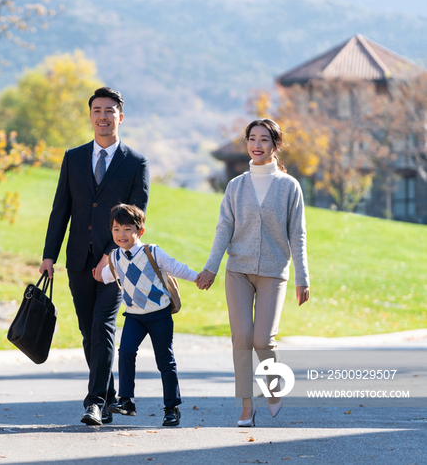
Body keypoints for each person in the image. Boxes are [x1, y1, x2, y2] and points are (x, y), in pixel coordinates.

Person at [39, 87, 149, 426]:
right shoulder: (73, 158)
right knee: (89, 333)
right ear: (90, 116)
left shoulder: (135, 163)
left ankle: (95, 403)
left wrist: (111, 253)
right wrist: (48, 255)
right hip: (77, 260)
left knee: (103, 328)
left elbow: (136, 215)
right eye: (97, 110)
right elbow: (61, 209)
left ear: (120, 116)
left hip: (117, 264)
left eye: (110, 111)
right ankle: (110, 394)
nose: (103, 116)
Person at [195, 118, 310, 427]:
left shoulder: (289, 187)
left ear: (275, 146)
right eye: (252, 139)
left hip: (274, 271)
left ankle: (273, 387)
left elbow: (297, 234)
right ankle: (246, 407)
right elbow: (224, 229)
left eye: (264, 139)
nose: (256, 145)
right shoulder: (236, 186)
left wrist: (303, 278)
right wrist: (211, 267)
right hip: (238, 271)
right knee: (242, 338)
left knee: (263, 339)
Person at [94, 204, 198, 427]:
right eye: (116, 229)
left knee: (164, 360)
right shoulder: (115, 258)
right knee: (126, 352)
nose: (121, 234)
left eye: (127, 229)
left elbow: (176, 268)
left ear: (140, 231)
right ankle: (127, 401)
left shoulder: (152, 252)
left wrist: (198, 277)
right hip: (134, 317)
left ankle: (172, 408)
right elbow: (105, 276)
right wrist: (96, 275)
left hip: (159, 315)